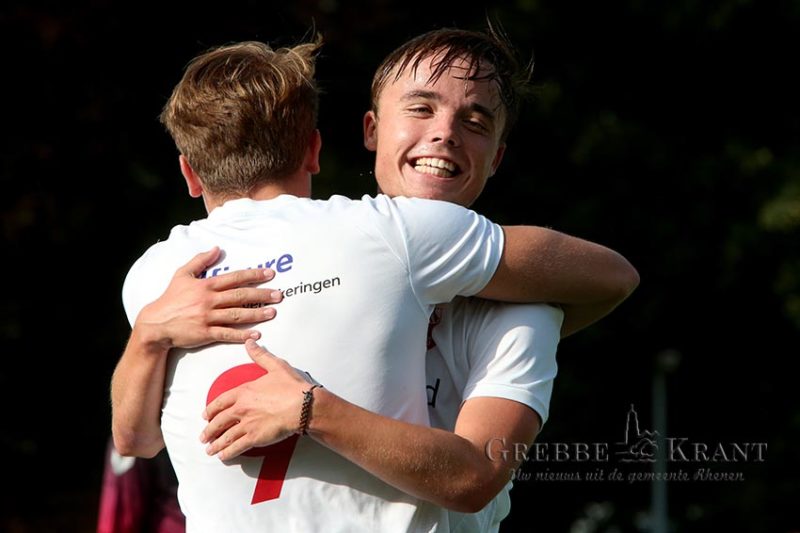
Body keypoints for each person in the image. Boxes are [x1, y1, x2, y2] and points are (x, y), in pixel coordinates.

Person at [111, 32, 638, 532]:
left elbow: (472, 476)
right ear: (361, 133)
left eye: (475, 120)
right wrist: (149, 334)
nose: (446, 133)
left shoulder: (523, 310)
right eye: (421, 108)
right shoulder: (369, 237)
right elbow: (134, 439)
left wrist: (309, 409)